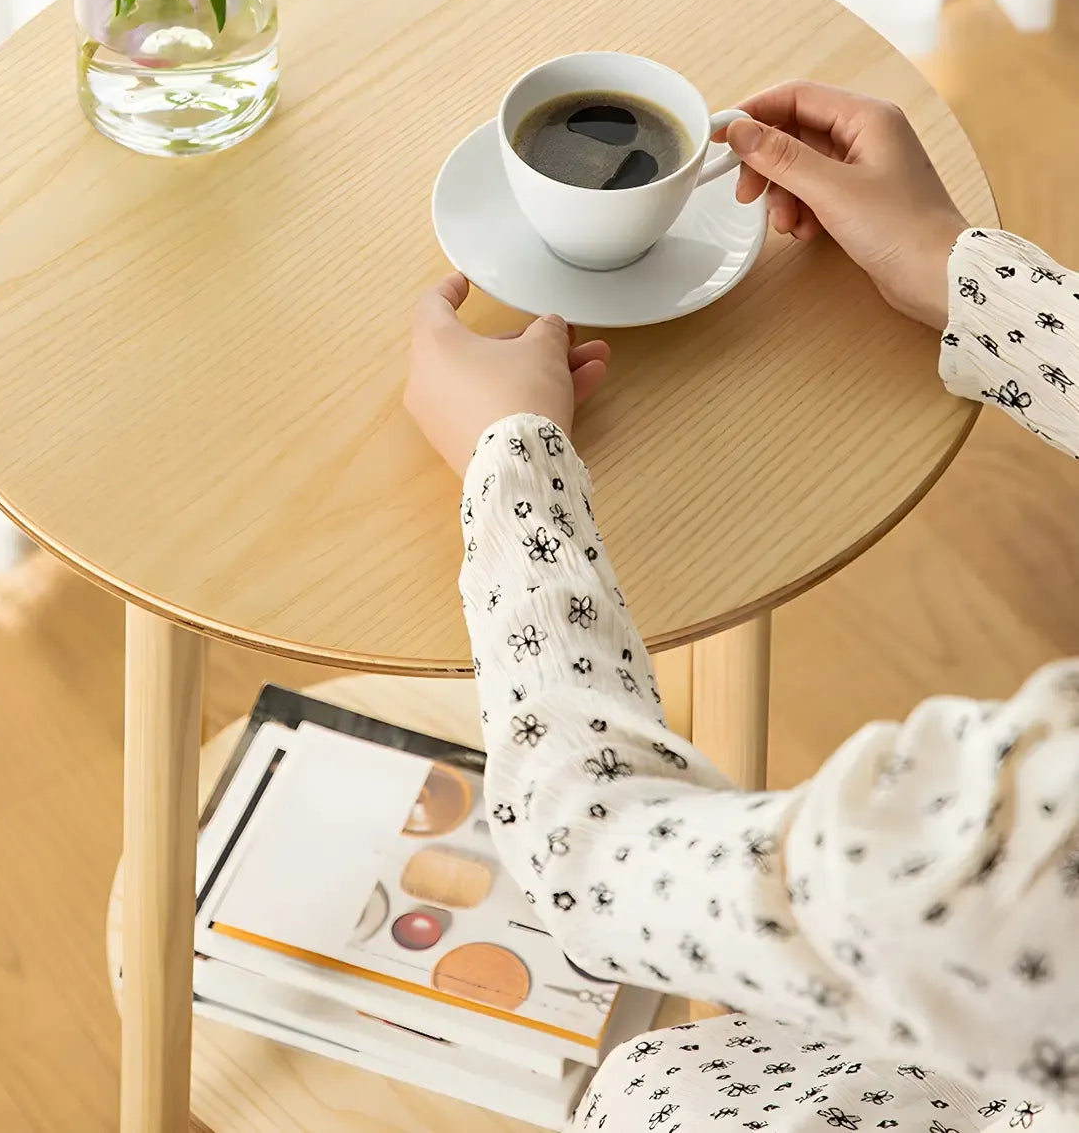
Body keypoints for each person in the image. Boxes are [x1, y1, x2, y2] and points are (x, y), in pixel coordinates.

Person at [404, 82, 1079, 1133]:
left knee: (650, 1097)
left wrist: (510, 460)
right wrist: (960, 275)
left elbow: (589, 857)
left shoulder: (1030, 863)